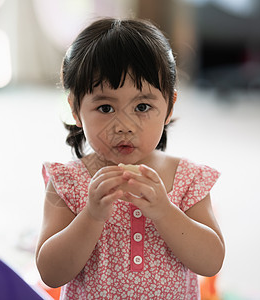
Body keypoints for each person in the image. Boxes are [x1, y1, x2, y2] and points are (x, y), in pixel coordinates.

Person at [35, 18, 225, 299]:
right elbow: (51, 272)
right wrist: (91, 215)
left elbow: (211, 263)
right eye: (105, 107)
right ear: (75, 110)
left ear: (169, 106)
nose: (124, 125)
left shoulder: (187, 179)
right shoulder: (68, 183)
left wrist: (164, 210)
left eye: (142, 106)